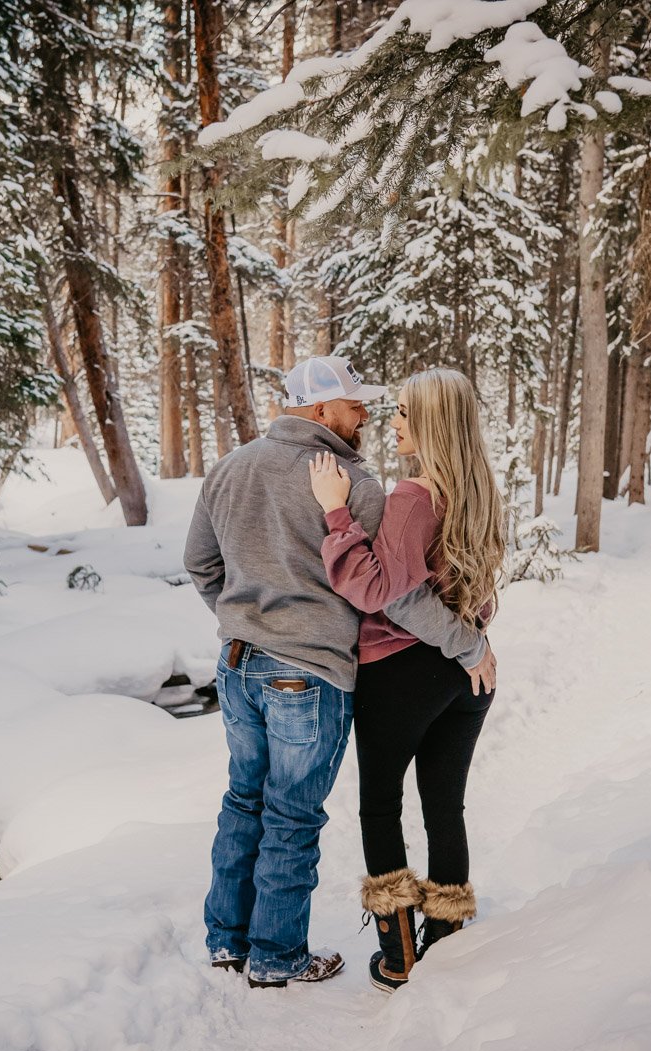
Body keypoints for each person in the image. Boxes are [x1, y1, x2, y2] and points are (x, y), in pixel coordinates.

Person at [184, 355, 489, 989]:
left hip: (238, 664)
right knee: (292, 814)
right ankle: (277, 954)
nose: (366, 416)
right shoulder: (355, 485)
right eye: (355, 405)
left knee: (244, 800)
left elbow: (200, 564)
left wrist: (246, 621)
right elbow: (395, 593)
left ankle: (227, 942)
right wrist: (468, 643)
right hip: (310, 671)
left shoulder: (230, 467)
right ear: (322, 410)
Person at [307, 367, 503, 993]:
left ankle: (399, 957)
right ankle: (446, 937)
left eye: (402, 413)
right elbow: (481, 593)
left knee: (380, 805)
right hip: (467, 673)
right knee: (444, 805)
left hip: (401, 670)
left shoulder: (413, 496)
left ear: (431, 423)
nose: (390, 423)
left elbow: (379, 591)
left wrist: (336, 513)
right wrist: (471, 643)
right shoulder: (477, 490)